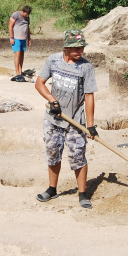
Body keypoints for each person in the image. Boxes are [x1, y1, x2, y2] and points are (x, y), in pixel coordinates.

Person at [34, 29, 98, 208]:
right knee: (53, 153)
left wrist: (91, 125)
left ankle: (83, 194)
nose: (80, 52)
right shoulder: (53, 61)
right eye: (76, 49)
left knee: (78, 155)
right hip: (53, 119)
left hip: (75, 121)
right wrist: (52, 100)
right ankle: (52, 189)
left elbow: (89, 96)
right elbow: (39, 83)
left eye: (82, 48)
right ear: (66, 48)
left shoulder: (86, 67)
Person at [8, 5, 32, 78]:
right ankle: (17, 72)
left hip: (23, 38)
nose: (26, 16)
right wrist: (12, 38)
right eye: (26, 14)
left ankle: (21, 70)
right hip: (16, 38)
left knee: (22, 54)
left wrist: (29, 38)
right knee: (17, 54)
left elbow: (27, 28)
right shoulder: (15, 15)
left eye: (28, 15)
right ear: (22, 11)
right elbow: (10, 26)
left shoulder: (27, 18)